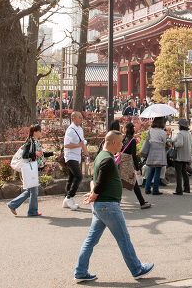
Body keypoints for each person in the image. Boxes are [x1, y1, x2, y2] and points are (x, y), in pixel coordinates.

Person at [73, 130, 155, 283]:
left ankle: (80, 271)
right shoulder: (108, 160)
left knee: (91, 240)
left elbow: (95, 180)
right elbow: (101, 182)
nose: (123, 145)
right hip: (108, 205)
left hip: (101, 206)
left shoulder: (101, 156)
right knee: (123, 238)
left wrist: (93, 194)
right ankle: (136, 268)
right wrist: (94, 194)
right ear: (113, 142)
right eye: (121, 142)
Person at [8, 124, 54, 217]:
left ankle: (13, 204)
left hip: (33, 167)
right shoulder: (30, 142)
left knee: (31, 190)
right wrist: (34, 153)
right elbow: (24, 155)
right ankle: (31, 211)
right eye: (39, 131)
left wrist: (52, 153)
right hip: (30, 168)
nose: (41, 132)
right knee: (33, 190)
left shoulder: (36, 142)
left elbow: (41, 154)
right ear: (35, 132)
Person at [121, 122, 151, 209]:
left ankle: (116, 202)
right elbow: (134, 155)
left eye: (123, 128)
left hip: (121, 164)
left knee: (121, 183)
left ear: (126, 130)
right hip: (127, 165)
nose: (122, 129)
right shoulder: (132, 141)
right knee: (134, 183)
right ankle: (142, 203)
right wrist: (137, 168)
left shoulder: (123, 139)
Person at [63, 111, 89, 209]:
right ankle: (69, 197)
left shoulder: (80, 129)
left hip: (77, 157)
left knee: (71, 179)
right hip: (70, 157)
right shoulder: (70, 130)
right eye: (80, 117)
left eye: (82, 117)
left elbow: (83, 144)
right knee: (79, 177)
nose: (82, 118)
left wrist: (87, 155)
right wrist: (78, 145)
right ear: (74, 118)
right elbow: (66, 144)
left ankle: (66, 200)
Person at [144, 117, 167, 195]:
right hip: (159, 149)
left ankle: (147, 188)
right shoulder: (162, 132)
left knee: (151, 169)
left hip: (152, 149)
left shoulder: (151, 130)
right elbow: (164, 142)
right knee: (158, 170)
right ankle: (155, 189)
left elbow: (147, 139)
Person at [172, 119, 192, 195]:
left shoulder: (180, 133)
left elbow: (180, 143)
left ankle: (179, 189)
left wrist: (173, 143)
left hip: (180, 155)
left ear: (181, 126)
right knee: (184, 172)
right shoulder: (188, 133)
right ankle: (187, 188)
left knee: (178, 173)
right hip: (186, 155)